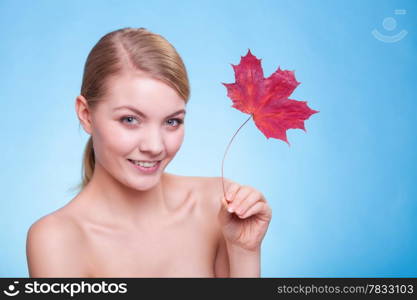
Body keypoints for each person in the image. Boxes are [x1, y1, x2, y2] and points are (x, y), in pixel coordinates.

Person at [26, 27, 272, 278]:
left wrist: (244, 251)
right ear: (86, 115)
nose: (155, 146)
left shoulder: (216, 207)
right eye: (130, 119)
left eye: (172, 121)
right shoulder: (56, 239)